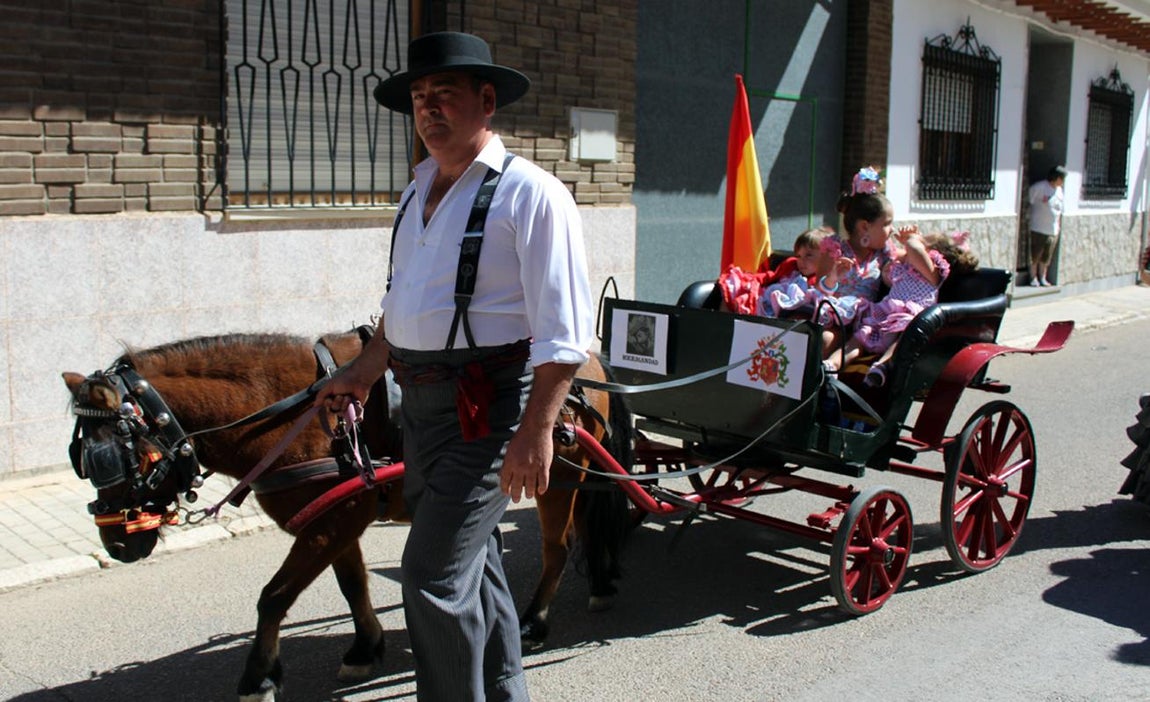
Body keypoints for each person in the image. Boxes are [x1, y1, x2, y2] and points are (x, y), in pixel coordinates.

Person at [316, 31, 593, 701]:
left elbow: (564, 336)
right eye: (419, 97)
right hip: (423, 407)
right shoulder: (416, 192)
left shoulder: (532, 194)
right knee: (476, 563)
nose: (428, 108)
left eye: (444, 93)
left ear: (486, 101)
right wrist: (363, 370)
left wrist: (535, 432)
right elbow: (402, 303)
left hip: (492, 406)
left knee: (432, 575)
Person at [834, 228, 980, 387]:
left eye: (923, 242)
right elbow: (889, 275)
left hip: (912, 316)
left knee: (903, 337)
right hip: (888, 314)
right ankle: (833, 364)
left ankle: (882, 365)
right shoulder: (906, 270)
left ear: (933, 253)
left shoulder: (933, 272)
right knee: (860, 337)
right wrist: (895, 259)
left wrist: (912, 238)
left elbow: (915, 250)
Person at [820, 167, 896, 368]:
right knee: (825, 340)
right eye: (887, 224)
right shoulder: (834, 249)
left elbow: (901, 270)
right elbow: (820, 292)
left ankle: (830, 372)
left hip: (866, 323)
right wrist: (833, 276)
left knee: (861, 338)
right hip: (836, 318)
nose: (892, 230)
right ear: (864, 227)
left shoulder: (884, 253)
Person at [1027, 165, 1067, 287]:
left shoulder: (1060, 191)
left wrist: (1058, 227)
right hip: (1038, 228)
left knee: (1046, 257)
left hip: (1052, 230)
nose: (1063, 181)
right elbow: (1029, 201)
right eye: (1062, 178)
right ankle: (1033, 278)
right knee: (1035, 255)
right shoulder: (1039, 187)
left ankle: (1043, 277)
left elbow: (1060, 210)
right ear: (1056, 177)